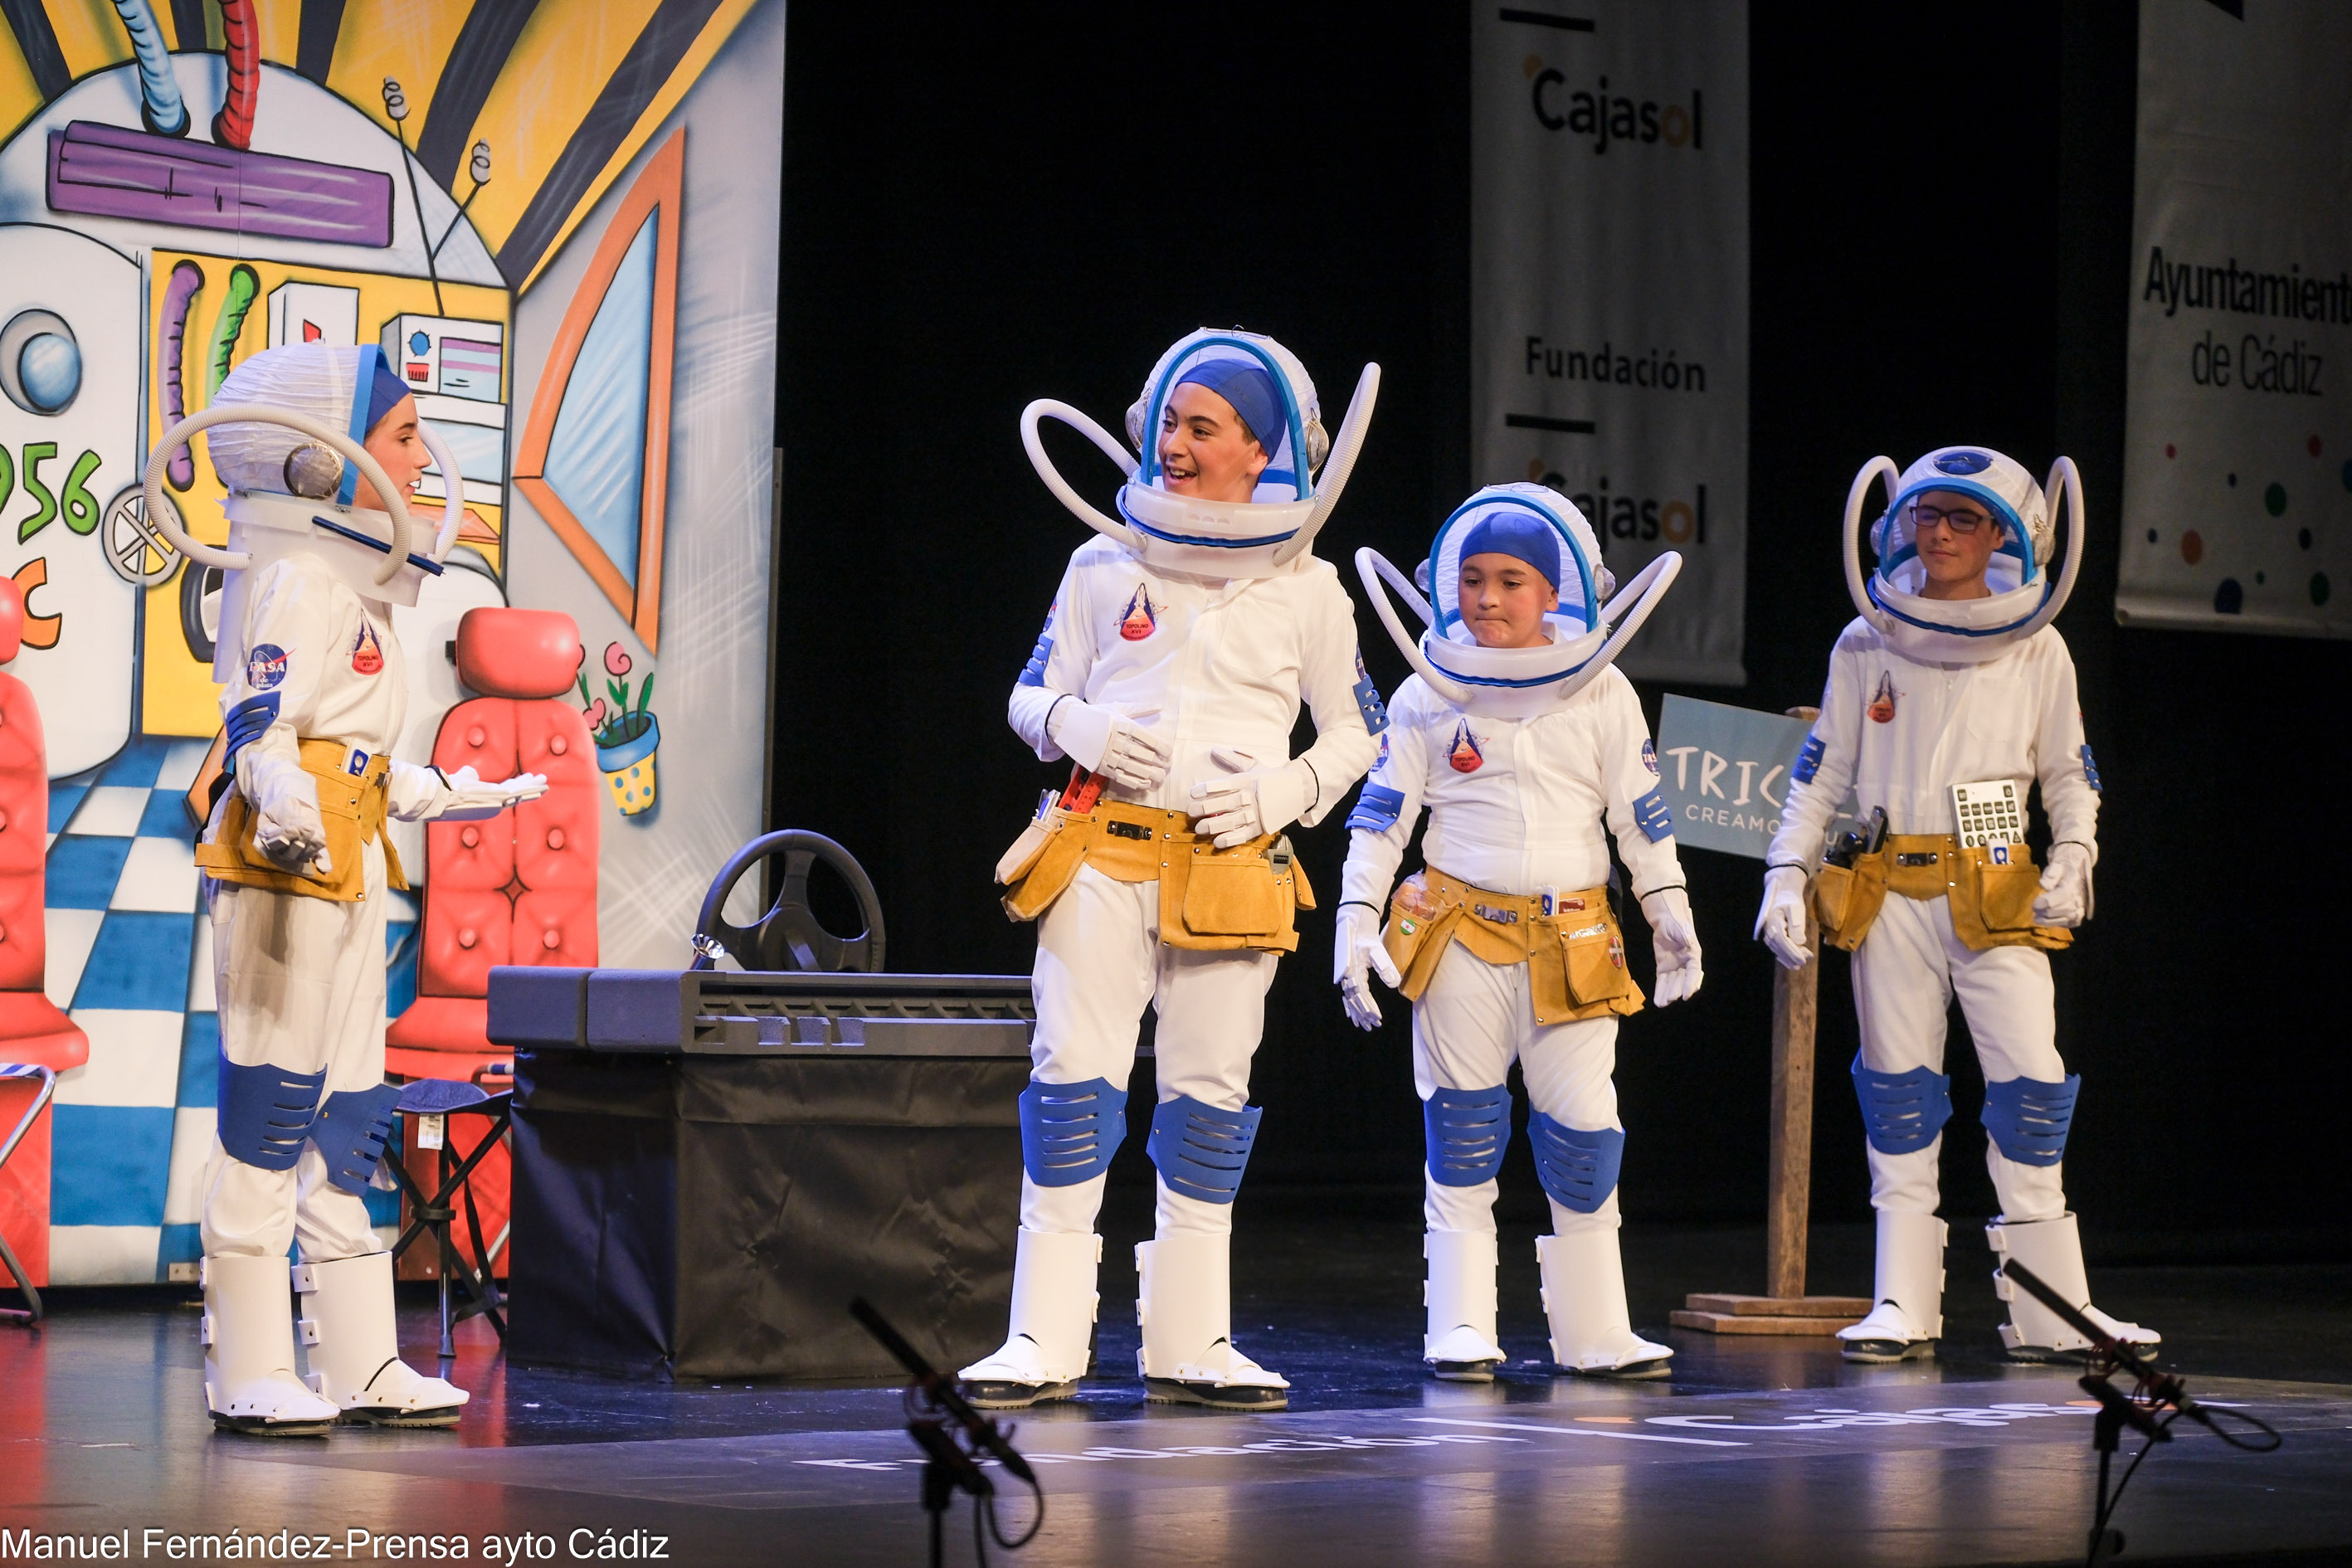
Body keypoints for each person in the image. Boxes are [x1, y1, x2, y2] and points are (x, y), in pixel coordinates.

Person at [966, 329, 1385, 1411]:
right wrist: (1078, 724)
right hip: (1101, 852)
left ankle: (1188, 1337)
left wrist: (1284, 794)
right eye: (1165, 420)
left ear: (1261, 450)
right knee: (1069, 1085)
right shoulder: (1101, 563)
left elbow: (1356, 734)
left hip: (1233, 863)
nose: (1173, 443)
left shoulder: (1310, 588)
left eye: (1201, 426)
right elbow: (1026, 697)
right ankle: (1039, 1335)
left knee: (1208, 1099)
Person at [181, 343, 543, 1433]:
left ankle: (358, 1358)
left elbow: (364, 763)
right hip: (282, 869)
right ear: (316, 463)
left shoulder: (353, 584)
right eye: (399, 435)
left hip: (348, 862)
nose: (422, 457)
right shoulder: (295, 577)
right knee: (270, 1111)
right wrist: (276, 790)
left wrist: (454, 791)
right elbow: (264, 722)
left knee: (346, 1116)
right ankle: (250, 1357)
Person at [1755, 446, 2158, 1364]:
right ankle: (1904, 1302)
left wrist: (2079, 852)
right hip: (1889, 883)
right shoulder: (1866, 640)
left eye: (1964, 519)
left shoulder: (2037, 644)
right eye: (1927, 516)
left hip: (1996, 880)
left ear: (2010, 535)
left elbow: (2067, 770)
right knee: (1897, 1090)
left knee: (2030, 1089)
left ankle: (2055, 1314)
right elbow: (1823, 776)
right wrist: (1786, 870)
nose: (1940, 534)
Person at [1339, 485, 1698, 1380]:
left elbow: (1640, 813)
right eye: (1471, 579)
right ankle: (1460, 1323)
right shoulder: (1428, 692)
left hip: (1574, 938)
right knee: (1462, 1129)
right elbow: (1382, 814)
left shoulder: (1602, 690)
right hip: (1459, 934)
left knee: (1584, 1133)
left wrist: (1669, 910)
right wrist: (1353, 918)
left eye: (1511, 581)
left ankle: (1594, 1331)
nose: (1488, 598)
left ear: (1556, 594)